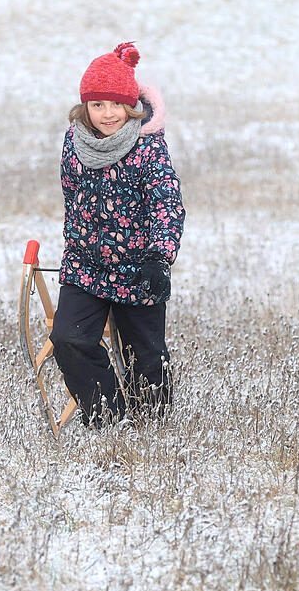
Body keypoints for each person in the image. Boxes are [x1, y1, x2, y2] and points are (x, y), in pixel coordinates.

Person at [49, 42, 186, 427]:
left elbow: (166, 204)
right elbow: (71, 199)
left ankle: (151, 429)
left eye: (115, 105)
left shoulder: (148, 147)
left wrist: (159, 258)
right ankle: (110, 420)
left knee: (146, 357)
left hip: (138, 266)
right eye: (97, 105)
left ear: (130, 106)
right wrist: (79, 246)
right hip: (86, 266)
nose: (107, 114)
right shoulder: (73, 144)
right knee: (69, 339)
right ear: (84, 108)